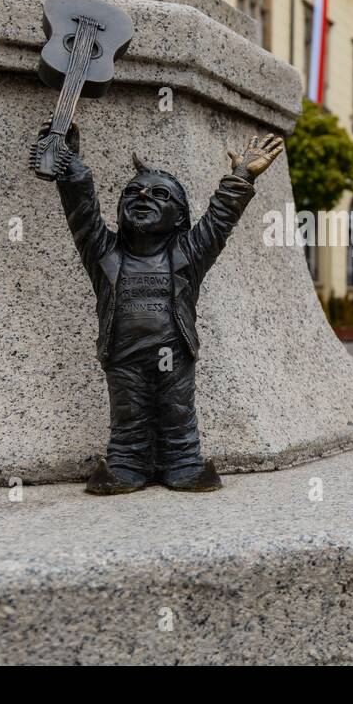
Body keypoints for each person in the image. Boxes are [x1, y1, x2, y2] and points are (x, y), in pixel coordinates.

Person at [56, 128, 285, 495]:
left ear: (179, 217)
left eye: (159, 195)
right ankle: (126, 466)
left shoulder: (188, 255)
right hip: (123, 355)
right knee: (128, 415)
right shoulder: (104, 252)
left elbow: (219, 219)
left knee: (177, 413)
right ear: (119, 211)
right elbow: (81, 213)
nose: (143, 196)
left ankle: (183, 464)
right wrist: (70, 168)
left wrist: (242, 176)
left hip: (173, 353)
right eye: (133, 193)